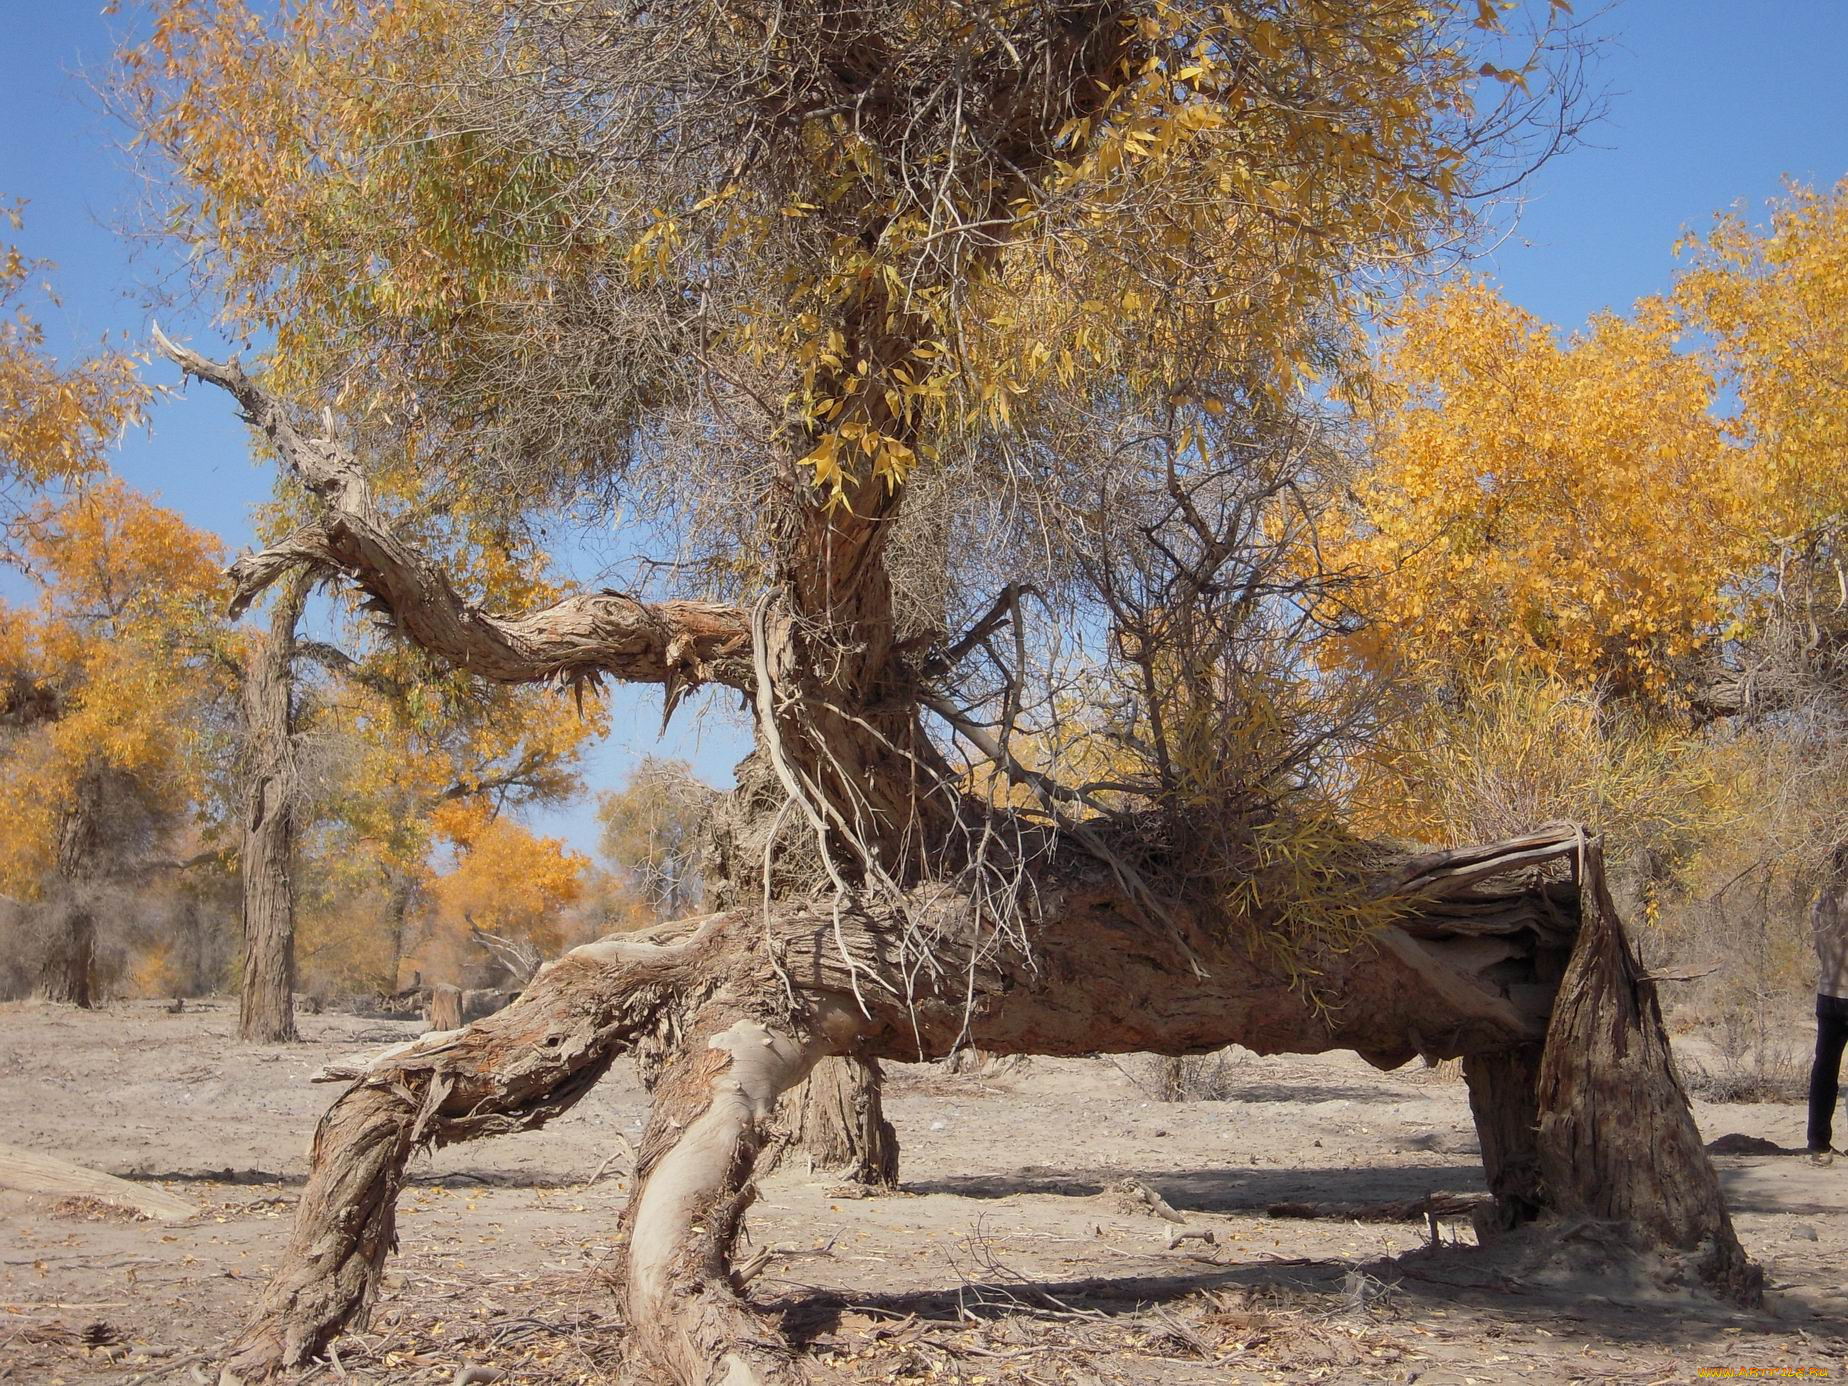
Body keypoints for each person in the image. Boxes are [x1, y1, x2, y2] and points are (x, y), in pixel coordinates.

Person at [1807, 849, 1848, 1158]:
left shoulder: (1822, 903)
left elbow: (1819, 947)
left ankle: (1818, 1138)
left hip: (1828, 990)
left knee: (1825, 1069)